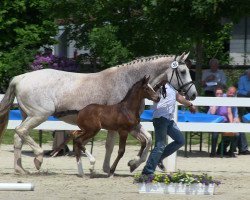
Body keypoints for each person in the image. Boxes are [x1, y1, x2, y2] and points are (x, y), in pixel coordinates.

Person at [141, 83, 196, 175]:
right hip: (160, 118)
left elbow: (179, 98)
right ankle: (148, 171)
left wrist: (190, 105)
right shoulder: (158, 84)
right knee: (160, 145)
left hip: (169, 119)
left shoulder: (172, 86)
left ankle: (158, 159)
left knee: (180, 140)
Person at [208, 86, 238, 157]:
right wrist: (216, 103)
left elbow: (229, 113)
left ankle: (231, 151)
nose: (219, 95)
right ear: (215, 94)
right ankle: (213, 152)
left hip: (225, 121)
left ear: (223, 93)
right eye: (217, 94)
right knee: (215, 134)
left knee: (236, 134)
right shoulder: (213, 101)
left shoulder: (226, 99)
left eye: (220, 94)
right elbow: (212, 113)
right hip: (216, 122)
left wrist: (231, 124)